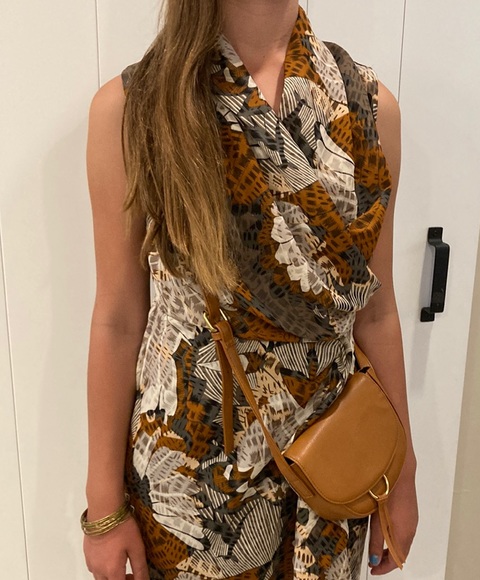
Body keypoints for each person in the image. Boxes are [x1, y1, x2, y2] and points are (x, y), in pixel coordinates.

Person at [82, 0, 418, 578]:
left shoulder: (367, 108)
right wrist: (104, 507)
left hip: (334, 467)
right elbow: (118, 318)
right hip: (191, 488)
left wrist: (402, 474)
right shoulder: (137, 108)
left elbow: (376, 313)